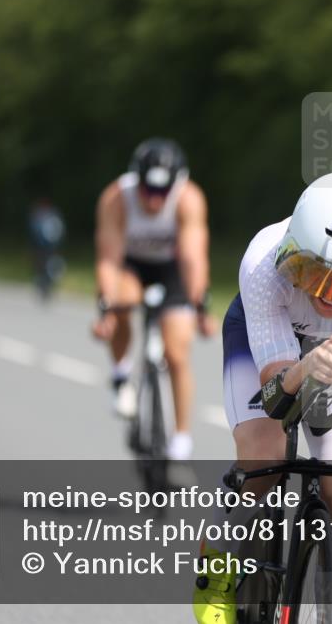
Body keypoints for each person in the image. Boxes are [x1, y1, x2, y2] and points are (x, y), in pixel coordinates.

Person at [194, 171, 332, 624]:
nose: (330, 294)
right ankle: (216, 567)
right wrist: (303, 368)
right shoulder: (263, 265)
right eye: (313, 271)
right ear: (291, 254)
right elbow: (275, 398)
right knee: (264, 459)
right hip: (267, 348)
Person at [91, 138, 215, 461]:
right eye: (147, 190)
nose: (154, 199)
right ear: (137, 181)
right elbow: (108, 260)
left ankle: (181, 439)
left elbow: (193, 258)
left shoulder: (189, 198)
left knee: (177, 352)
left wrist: (201, 307)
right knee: (122, 301)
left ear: (176, 184)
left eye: (162, 191)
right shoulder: (116, 198)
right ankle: (121, 375)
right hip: (131, 265)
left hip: (172, 268)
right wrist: (105, 309)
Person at [28, 197, 66, 301]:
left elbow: (59, 230)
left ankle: (47, 286)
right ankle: (41, 284)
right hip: (39, 246)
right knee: (39, 266)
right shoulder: (38, 215)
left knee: (50, 266)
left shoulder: (52, 215)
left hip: (51, 247)